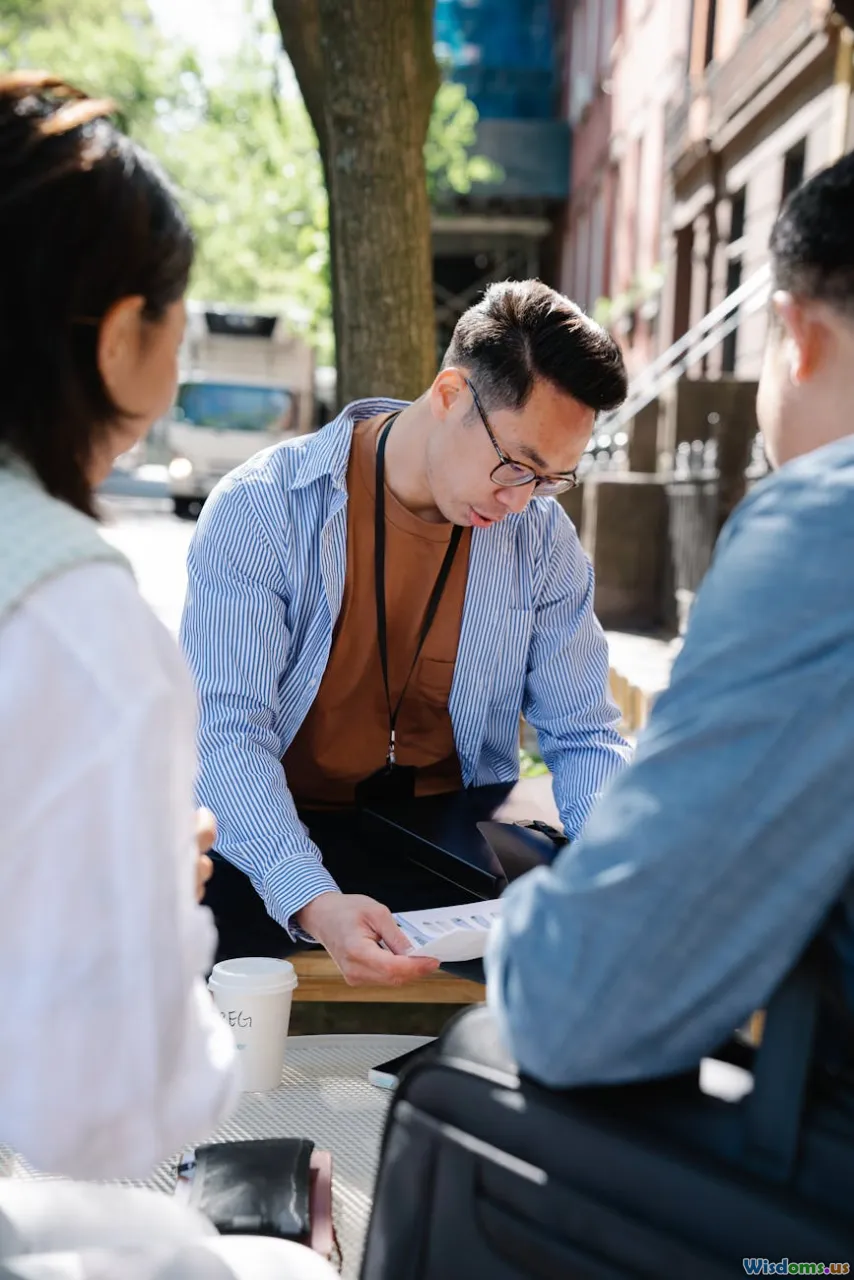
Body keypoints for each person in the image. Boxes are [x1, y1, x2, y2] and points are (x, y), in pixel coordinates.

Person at [0, 73, 335, 1280]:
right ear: (118, 332)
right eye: (177, 315)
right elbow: (103, 1116)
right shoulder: (81, 628)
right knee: (281, 1259)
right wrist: (153, 894)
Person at [485, 151, 854, 1088]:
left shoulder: (820, 532)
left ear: (794, 333)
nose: (527, 498)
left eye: (547, 477)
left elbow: (579, 1006)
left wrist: (533, 910)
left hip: (817, 1241)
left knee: (475, 1094)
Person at [181, 281, 632, 984]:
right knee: (208, 972)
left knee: (586, 955)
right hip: (266, 829)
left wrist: (619, 862)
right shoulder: (262, 509)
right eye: (514, 464)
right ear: (450, 394)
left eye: (550, 480)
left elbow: (583, 734)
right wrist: (311, 897)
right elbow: (224, 733)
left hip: (439, 835)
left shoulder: (541, 540)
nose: (519, 502)